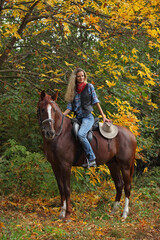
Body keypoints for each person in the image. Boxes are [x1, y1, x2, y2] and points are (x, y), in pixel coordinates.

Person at [63, 68, 111, 168]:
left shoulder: (89, 87)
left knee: (81, 134)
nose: (81, 78)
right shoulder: (73, 90)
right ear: (75, 78)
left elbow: (95, 101)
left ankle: (92, 158)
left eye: (83, 76)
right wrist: (61, 115)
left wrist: (103, 116)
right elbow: (70, 107)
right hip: (77, 119)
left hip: (87, 118)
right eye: (79, 76)